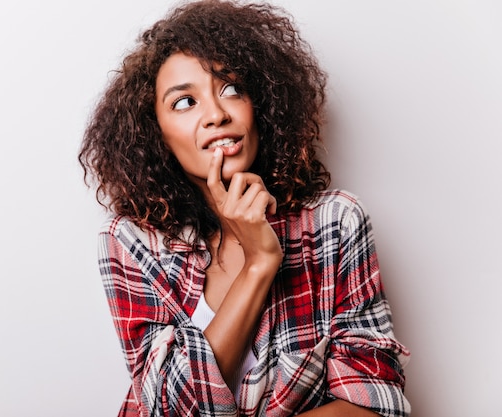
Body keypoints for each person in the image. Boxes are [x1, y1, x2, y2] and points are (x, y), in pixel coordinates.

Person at [79, 0, 410, 416]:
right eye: (185, 102)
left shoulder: (335, 222)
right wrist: (259, 264)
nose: (216, 115)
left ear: (263, 107)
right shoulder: (131, 241)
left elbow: (376, 400)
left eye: (231, 89)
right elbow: (169, 408)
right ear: (156, 133)